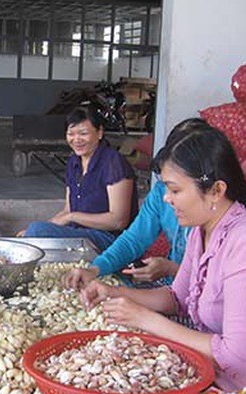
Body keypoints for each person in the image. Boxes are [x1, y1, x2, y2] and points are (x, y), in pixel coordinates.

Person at [64, 120, 246, 391]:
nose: (166, 199)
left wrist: (144, 319)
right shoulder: (202, 230)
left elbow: (235, 355)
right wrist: (114, 294)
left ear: (216, 191)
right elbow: (177, 298)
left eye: (175, 190)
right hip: (209, 377)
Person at [67, 119, 210, 288]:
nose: (167, 197)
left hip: (196, 294)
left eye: (176, 190)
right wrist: (96, 269)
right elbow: (134, 239)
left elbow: (217, 284)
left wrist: (173, 269)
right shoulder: (161, 193)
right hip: (172, 289)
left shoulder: (227, 222)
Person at [17, 107, 138, 252]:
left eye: (83, 133)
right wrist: (42, 229)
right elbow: (67, 210)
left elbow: (118, 221)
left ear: (99, 132)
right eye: (71, 134)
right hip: (80, 233)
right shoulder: (74, 162)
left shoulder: (113, 162)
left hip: (109, 239)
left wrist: (73, 217)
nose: (76, 140)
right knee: (35, 231)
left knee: (37, 231)